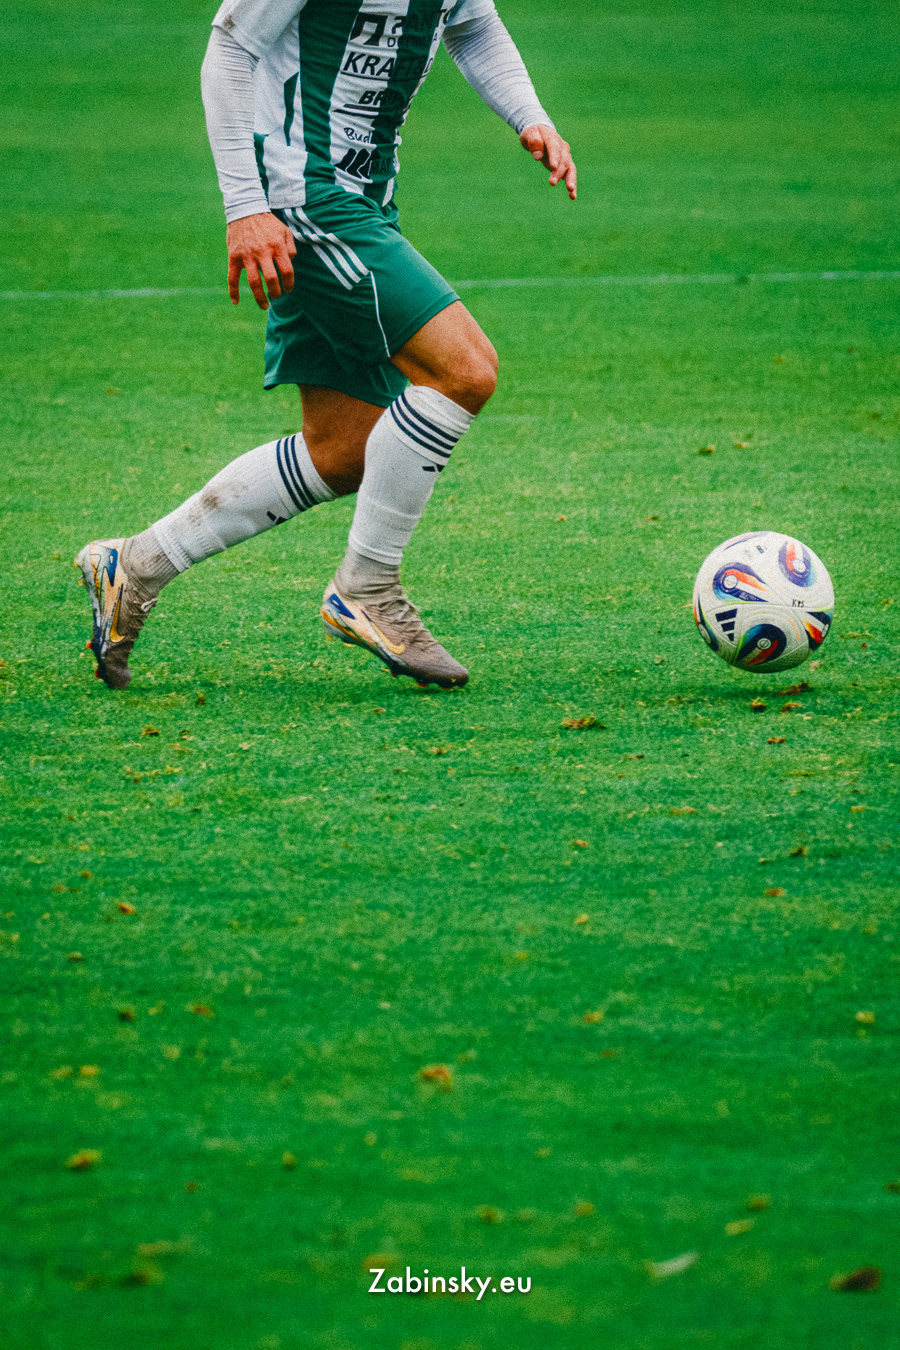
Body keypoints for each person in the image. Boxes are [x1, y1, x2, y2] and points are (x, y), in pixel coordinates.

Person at [77, 0, 576, 690]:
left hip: (363, 197)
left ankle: (136, 565)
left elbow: (472, 22)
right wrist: (245, 208)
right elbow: (230, 49)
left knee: (345, 450)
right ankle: (368, 587)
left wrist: (529, 116)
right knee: (465, 371)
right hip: (302, 196)